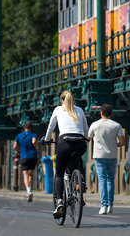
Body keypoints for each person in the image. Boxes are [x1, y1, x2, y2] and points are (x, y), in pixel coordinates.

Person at [43, 91, 89, 219]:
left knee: (59, 173)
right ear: (73, 100)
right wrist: (86, 138)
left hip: (65, 144)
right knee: (77, 159)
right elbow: (86, 128)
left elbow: (51, 127)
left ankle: (59, 202)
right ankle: (80, 180)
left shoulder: (58, 109)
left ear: (62, 100)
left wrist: (46, 139)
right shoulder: (79, 110)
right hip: (80, 143)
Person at [88, 103, 125, 215]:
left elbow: (88, 139)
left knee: (102, 180)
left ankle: (103, 205)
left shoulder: (94, 125)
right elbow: (122, 142)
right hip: (112, 155)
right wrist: (115, 145)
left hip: (99, 156)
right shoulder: (116, 125)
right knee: (110, 181)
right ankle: (110, 205)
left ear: (101, 113)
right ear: (111, 113)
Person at [13, 122, 40, 202]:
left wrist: (18, 151)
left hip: (24, 157)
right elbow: (34, 141)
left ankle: (28, 191)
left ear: (24, 128)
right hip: (33, 157)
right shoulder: (33, 135)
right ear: (31, 128)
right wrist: (37, 148)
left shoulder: (19, 136)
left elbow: (14, 146)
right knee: (30, 174)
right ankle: (30, 188)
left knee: (25, 174)